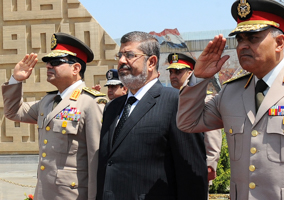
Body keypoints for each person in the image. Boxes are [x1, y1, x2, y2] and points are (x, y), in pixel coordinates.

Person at [176, 0, 284, 199]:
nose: (243, 46)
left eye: (253, 38)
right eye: (240, 39)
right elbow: (188, 122)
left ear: (279, 43)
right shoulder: (232, 91)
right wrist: (199, 78)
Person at [96, 31, 207, 200]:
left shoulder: (175, 102)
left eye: (130, 55)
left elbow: (191, 175)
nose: (121, 61)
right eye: (120, 55)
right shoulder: (112, 108)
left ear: (151, 62)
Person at [2, 32, 107, 200]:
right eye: (48, 63)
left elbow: (96, 158)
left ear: (76, 68)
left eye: (56, 62)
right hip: (45, 193)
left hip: (72, 195)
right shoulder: (48, 101)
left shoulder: (91, 103)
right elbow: (13, 111)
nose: (49, 66)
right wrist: (16, 80)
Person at [167, 53, 222, 185]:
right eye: (171, 72)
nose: (173, 76)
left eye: (178, 71)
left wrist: (209, 166)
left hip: (195, 167)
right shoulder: (166, 100)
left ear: (190, 73)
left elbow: (212, 138)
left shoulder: (204, 100)